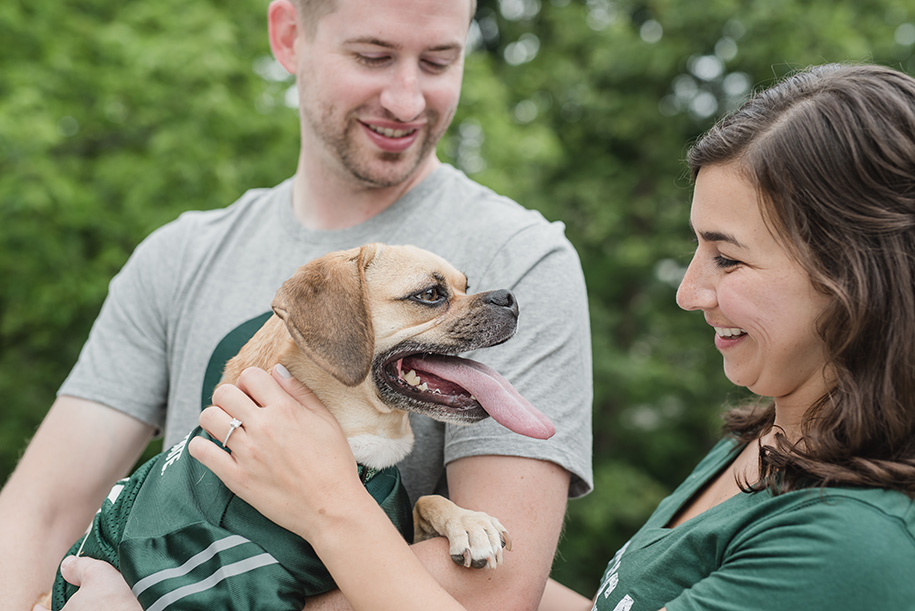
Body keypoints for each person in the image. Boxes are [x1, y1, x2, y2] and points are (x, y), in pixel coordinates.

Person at [190, 62, 915, 611]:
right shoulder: (763, 445)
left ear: (854, 274)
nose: (688, 290)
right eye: (694, 249)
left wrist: (330, 505)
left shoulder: (850, 546)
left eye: (726, 257)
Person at [3, 1, 593, 609]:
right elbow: (38, 516)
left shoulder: (525, 255)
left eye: (440, 60)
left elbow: (494, 583)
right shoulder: (178, 256)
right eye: (373, 56)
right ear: (288, 36)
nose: (408, 100)